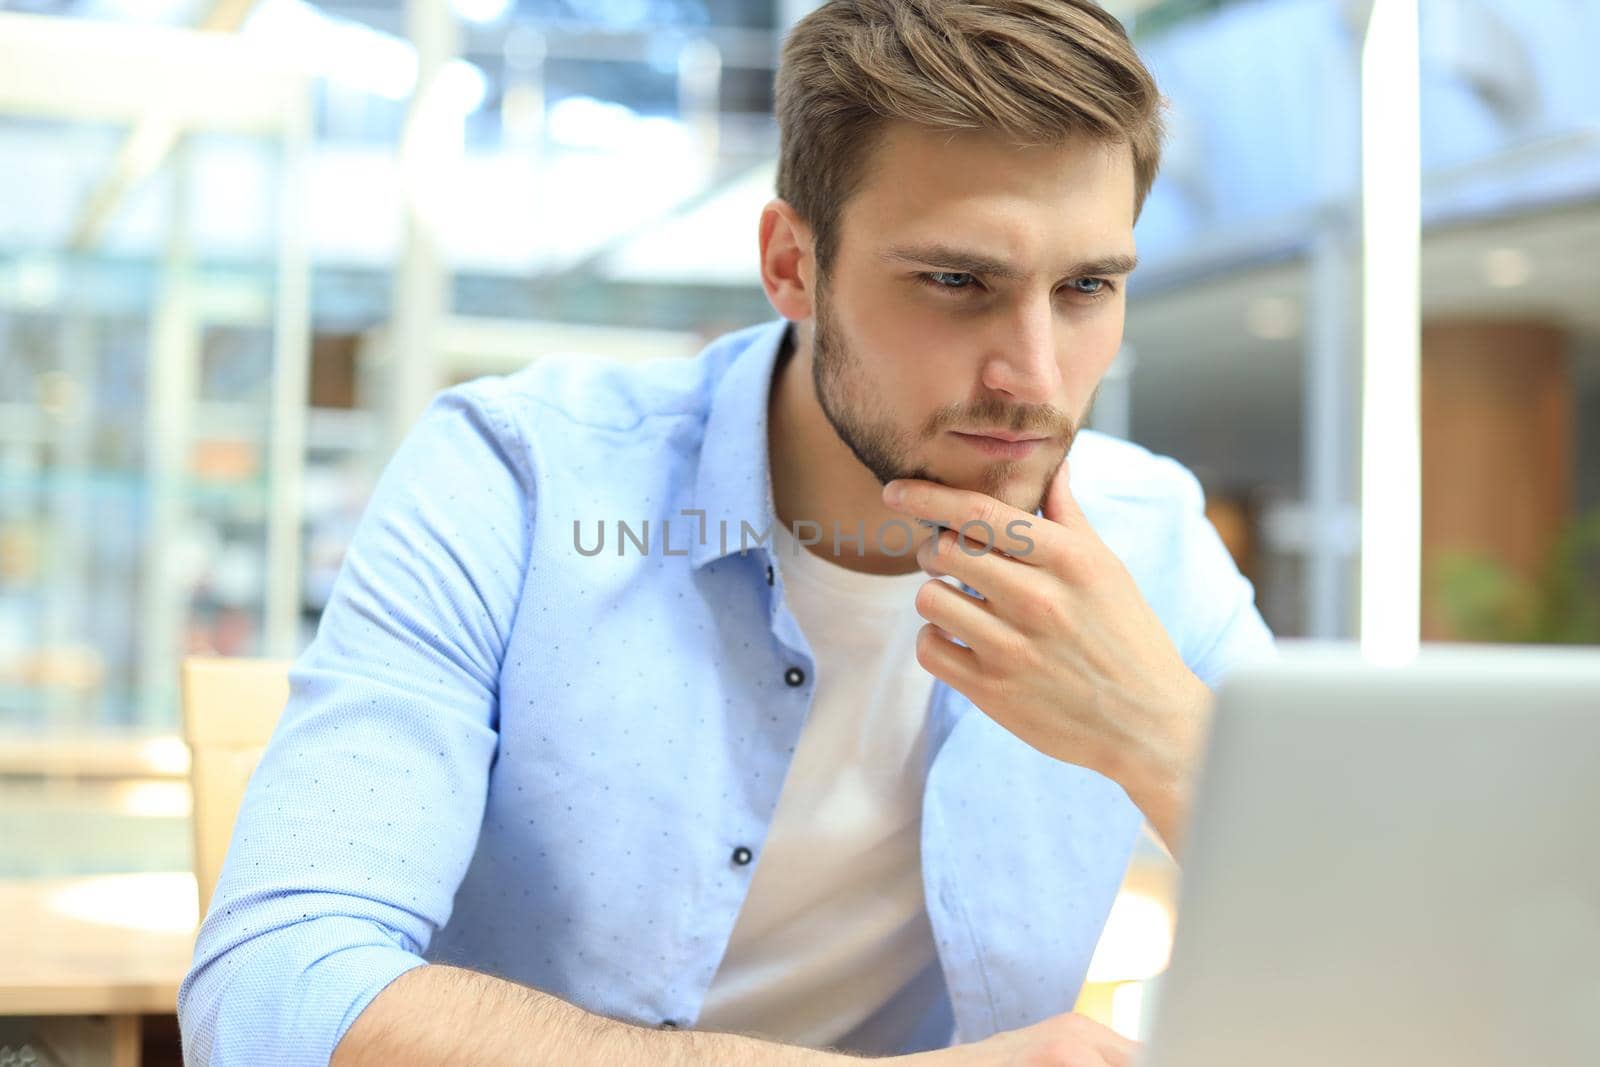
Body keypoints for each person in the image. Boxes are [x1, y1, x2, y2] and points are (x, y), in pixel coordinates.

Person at [177, 2, 1275, 1065]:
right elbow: (273, 994)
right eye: (955, 281)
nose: (1033, 378)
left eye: (1085, 286)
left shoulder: (1151, 538)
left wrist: (1167, 740)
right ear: (793, 265)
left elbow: (1420, 952)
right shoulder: (520, 477)